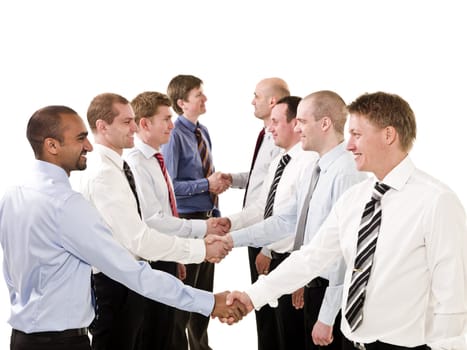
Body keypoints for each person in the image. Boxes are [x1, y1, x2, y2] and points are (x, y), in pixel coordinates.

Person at [227, 92, 467, 350]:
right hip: (353, 343)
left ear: (388, 135)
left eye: (357, 135)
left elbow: (452, 298)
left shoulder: (436, 201)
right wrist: (253, 296)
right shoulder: (356, 198)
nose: (349, 145)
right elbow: (312, 258)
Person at [0, 106, 246, 350]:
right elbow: (131, 271)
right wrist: (208, 302)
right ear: (52, 146)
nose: (88, 146)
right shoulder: (67, 205)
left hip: (21, 339)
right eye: (80, 138)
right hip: (61, 343)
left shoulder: (11, 196)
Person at [76, 93, 232, 350]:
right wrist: (201, 249)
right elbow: (139, 238)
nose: (135, 128)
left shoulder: (116, 166)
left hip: (129, 278)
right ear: (102, 126)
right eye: (127, 122)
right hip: (115, 285)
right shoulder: (104, 174)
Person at [228, 91, 367, 349]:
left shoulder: (346, 173)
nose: (296, 127)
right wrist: (230, 240)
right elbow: (286, 220)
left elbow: (343, 255)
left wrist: (326, 316)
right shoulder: (318, 168)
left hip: (331, 294)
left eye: (302, 121)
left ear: (324, 124)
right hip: (312, 284)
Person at [125, 91, 230, 350]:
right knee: (164, 331)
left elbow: (165, 211)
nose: (172, 125)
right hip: (153, 255)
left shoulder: (155, 160)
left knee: (173, 327)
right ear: (145, 124)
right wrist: (203, 228)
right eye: (166, 119)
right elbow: (152, 220)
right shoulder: (137, 164)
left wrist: (178, 257)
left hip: (169, 250)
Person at [226, 95, 318, 349]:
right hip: (276, 258)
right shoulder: (280, 161)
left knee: (294, 338)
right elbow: (262, 209)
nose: (270, 127)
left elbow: (304, 221)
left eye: (276, 121)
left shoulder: (309, 162)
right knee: (276, 335)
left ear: (295, 123)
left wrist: (304, 275)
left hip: (294, 261)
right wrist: (227, 224)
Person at [162, 75, 230, 350]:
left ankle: (201, 347)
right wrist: (206, 184)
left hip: (206, 220)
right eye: (198, 95)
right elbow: (171, 187)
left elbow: (208, 175)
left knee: (203, 294)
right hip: (186, 224)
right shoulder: (173, 136)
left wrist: (215, 211)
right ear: (181, 102)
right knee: (184, 296)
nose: (205, 99)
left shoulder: (203, 132)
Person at [226, 77, 289, 350]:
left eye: (256, 96)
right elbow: (261, 180)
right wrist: (233, 179)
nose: (252, 101)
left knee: (275, 313)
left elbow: (278, 202)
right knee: (263, 309)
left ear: (272, 101)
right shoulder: (266, 135)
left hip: (269, 238)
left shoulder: (279, 140)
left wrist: (267, 248)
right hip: (256, 233)